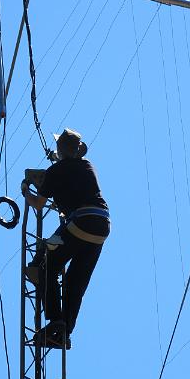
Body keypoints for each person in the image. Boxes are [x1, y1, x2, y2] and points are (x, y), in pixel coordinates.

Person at [21, 128, 110, 349]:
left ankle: (55, 320)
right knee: (75, 283)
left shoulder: (55, 172)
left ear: (59, 150)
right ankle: (63, 333)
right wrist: (59, 162)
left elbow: (39, 204)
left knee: (46, 266)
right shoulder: (87, 166)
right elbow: (70, 170)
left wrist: (26, 191)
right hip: (101, 226)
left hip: (81, 221)